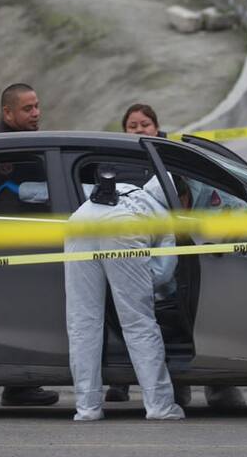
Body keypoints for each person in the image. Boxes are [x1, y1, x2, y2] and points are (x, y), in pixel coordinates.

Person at [107, 103, 247, 411]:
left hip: (204, 258)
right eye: (133, 125)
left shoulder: (179, 161)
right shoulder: (119, 161)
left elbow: (234, 208)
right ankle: (176, 389)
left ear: (157, 126)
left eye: (145, 124)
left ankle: (220, 388)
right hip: (161, 257)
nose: (140, 129)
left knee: (210, 318)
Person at [65, 172, 185, 422]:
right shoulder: (163, 215)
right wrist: (133, 279)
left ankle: (87, 409)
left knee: (82, 322)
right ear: (178, 196)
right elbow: (161, 274)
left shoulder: (126, 188)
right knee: (138, 322)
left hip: (80, 221)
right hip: (125, 227)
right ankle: (160, 407)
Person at [0, 83, 59, 408]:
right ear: (8, 112)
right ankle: (18, 385)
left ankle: (21, 384)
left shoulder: (23, 143)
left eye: (37, 106)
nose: (36, 114)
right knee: (23, 314)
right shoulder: (4, 149)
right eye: (28, 109)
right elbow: (6, 202)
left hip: (33, 242)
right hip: (18, 246)